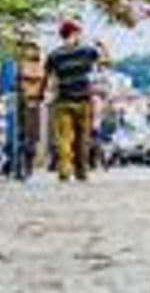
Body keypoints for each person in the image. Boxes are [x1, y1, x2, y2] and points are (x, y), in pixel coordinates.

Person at [38, 20, 109, 182]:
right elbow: (107, 62)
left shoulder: (54, 55)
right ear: (75, 34)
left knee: (64, 138)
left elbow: (45, 77)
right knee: (82, 139)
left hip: (63, 100)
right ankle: (81, 172)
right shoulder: (86, 51)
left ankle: (64, 170)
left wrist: (40, 95)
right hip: (83, 100)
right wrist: (103, 46)